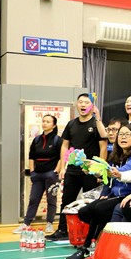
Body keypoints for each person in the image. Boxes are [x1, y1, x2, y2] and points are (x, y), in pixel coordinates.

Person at [65, 123, 131, 259]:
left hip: (128, 196)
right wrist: (101, 186)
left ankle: (87, 248)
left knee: (99, 209)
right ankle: (95, 244)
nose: (123, 137)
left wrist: (98, 168)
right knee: (84, 212)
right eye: (121, 134)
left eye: (127, 134)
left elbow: (122, 171)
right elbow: (107, 178)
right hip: (113, 195)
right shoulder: (115, 155)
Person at [46, 93, 108, 242]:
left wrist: (100, 169)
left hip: (90, 171)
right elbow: (65, 145)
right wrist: (63, 166)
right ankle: (62, 230)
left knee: (89, 202)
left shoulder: (96, 124)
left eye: (86, 102)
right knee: (66, 200)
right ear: (76, 105)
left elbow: (103, 146)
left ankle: (90, 233)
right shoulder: (71, 124)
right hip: (72, 170)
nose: (83, 105)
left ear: (92, 106)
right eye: (80, 102)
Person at [15, 114, 62, 234]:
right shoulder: (36, 140)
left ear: (54, 125)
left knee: (51, 199)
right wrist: (32, 171)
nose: (45, 123)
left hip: (51, 174)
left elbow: (62, 157)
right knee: (33, 199)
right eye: (43, 121)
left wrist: (56, 171)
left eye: (48, 122)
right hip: (38, 175)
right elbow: (32, 156)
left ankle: (50, 223)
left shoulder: (57, 140)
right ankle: (26, 223)